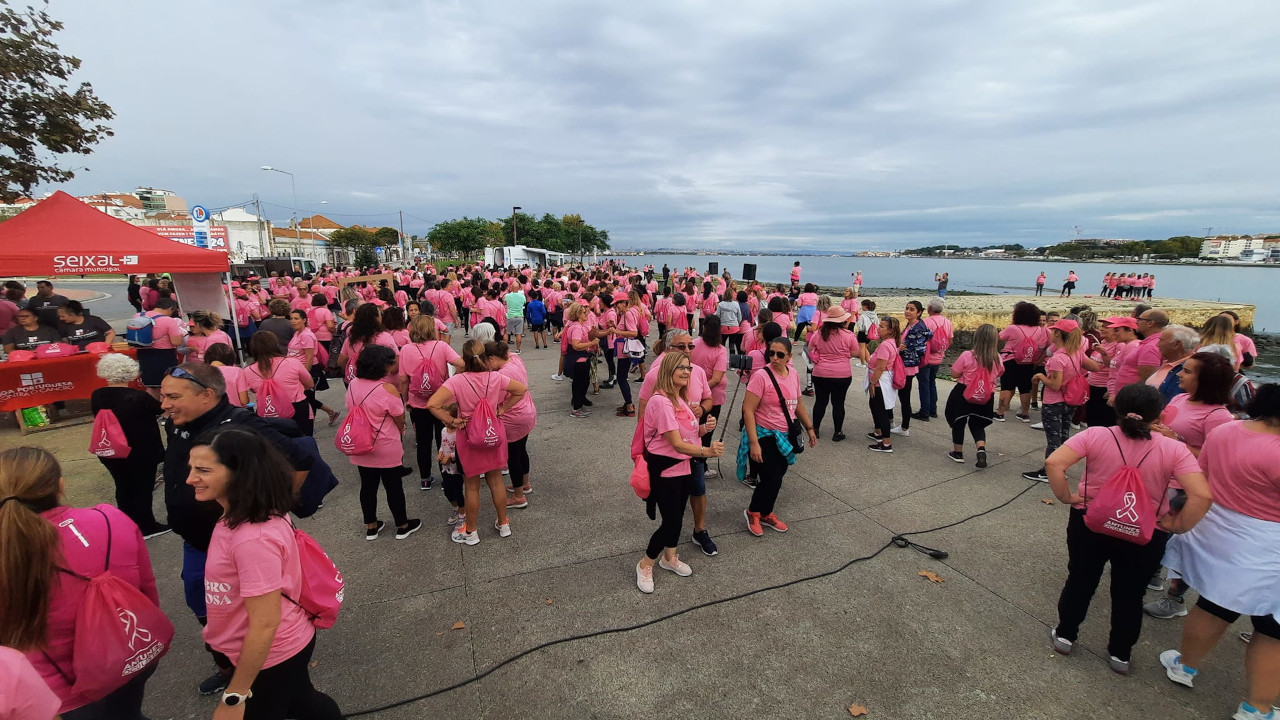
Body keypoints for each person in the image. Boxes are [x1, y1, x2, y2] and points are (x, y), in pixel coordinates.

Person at [159, 362, 314, 696]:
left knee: (255, 611)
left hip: (235, 545)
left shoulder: (239, 425)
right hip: (199, 541)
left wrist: (264, 507)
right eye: (162, 396)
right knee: (204, 603)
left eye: (173, 396)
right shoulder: (179, 423)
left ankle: (252, 676)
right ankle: (229, 665)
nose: (164, 404)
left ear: (207, 395)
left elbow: (300, 459)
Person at [1044, 383, 1212, 675]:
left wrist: (1066, 496)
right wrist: (1176, 523)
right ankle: (1120, 654)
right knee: (1130, 593)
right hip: (1146, 530)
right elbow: (1201, 494)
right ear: (1159, 415)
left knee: (1081, 580)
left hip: (1091, 521)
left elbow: (1054, 462)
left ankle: (1065, 636)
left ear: (1117, 407)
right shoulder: (1175, 449)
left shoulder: (1097, 434)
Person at [186, 427, 344, 719]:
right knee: (302, 702)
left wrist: (234, 696)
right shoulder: (244, 513)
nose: (190, 478)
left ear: (239, 473)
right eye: (192, 468)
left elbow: (265, 623)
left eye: (203, 470)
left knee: (291, 703)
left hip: (273, 652)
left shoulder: (252, 539)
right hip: (275, 646)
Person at [0, 446, 161, 718]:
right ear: (60, 485)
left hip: (57, 691)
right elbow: (147, 593)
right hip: (129, 657)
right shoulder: (110, 518)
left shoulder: (8, 550)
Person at [1157, 385, 1280, 720]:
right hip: (1268, 545)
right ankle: (1259, 706)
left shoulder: (1226, 430)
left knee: (1213, 605)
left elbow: (1203, 477)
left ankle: (1185, 665)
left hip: (1218, 530)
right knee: (1272, 629)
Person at [1142, 351, 1237, 620]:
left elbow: (1215, 458)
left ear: (1205, 380)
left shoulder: (1218, 416)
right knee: (1155, 531)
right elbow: (1166, 424)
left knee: (1180, 541)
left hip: (1183, 485)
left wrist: (1175, 441)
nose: (1180, 374)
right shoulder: (1181, 397)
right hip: (1159, 474)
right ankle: (1152, 572)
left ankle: (1175, 598)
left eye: (1188, 371)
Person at [636, 351, 725, 593]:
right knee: (671, 521)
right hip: (666, 470)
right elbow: (675, 443)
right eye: (681, 368)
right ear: (668, 371)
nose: (687, 371)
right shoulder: (661, 401)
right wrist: (707, 452)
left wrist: (705, 429)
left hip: (684, 467)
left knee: (676, 517)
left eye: (688, 367)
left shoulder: (681, 399)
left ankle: (670, 557)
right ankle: (646, 563)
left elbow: (689, 435)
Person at [428, 340, 528, 544]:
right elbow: (521, 390)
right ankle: (503, 523)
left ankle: (472, 531)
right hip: (493, 432)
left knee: (471, 486)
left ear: (464, 359)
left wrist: (452, 420)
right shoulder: (496, 377)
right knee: (496, 480)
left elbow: (433, 404)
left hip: (469, 435)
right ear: (484, 357)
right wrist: (502, 409)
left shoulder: (457, 381)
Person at [344, 344, 422, 541]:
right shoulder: (386, 388)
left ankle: (371, 525)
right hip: (385, 443)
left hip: (360, 443)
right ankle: (402, 525)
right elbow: (398, 415)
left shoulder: (353, 384)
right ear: (383, 366)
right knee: (393, 485)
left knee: (367, 486)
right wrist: (401, 428)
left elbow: (349, 406)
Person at [740, 337, 817, 536]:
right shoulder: (761, 376)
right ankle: (753, 511)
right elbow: (748, 410)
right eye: (771, 353)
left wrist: (809, 428)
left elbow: (798, 404)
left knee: (778, 476)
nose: (774, 358)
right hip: (765, 433)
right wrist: (754, 443)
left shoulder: (792, 375)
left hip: (785, 435)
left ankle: (766, 512)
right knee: (771, 476)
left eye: (780, 354)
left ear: (789, 357)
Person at [90, 353, 168, 537]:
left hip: (110, 449)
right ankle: (146, 525)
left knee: (123, 486)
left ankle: (125, 523)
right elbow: (161, 409)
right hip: (140, 450)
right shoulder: (138, 397)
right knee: (143, 487)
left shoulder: (97, 396)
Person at [1023, 319, 1095, 482]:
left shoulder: (1058, 358)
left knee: (1053, 438)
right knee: (1063, 434)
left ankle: (1049, 471)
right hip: (1070, 401)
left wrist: (1041, 376)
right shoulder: (1077, 353)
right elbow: (1095, 367)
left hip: (1054, 401)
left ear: (1057, 334)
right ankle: (1061, 467)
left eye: (1053, 330)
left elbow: (1055, 385)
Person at [398, 315, 464, 490]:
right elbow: (462, 364)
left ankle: (425, 478)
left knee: (423, 441)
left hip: (418, 403)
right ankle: (446, 475)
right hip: (442, 401)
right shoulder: (441, 346)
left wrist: (406, 400)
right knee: (443, 439)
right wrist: (452, 381)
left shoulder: (405, 350)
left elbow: (403, 379)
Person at [485, 341, 537, 504]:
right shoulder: (514, 359)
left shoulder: (501, 375)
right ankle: (524, 483)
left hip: (513, 417)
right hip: (527, 411)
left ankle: (519, 496)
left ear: (492, 358)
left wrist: (501, 408)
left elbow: (495, 400)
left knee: (513, 456)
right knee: (521, 451)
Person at [945, 324, 1002, 466]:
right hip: (986, 395)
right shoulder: (998, 359)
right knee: (977, 423)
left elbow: (954, 374)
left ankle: (958, 452)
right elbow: (999, 373)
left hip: (964, 392)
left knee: (958, 421)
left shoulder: (968, 355)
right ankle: (981, 448)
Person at [242, 331, 314, 435]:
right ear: (275, 344)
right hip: (297, 408)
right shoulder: (292, 362)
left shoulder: (248, 371)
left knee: (276, 445)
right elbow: (310, 384)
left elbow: (253, 390)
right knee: (304, 442)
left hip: (269, 411)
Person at [806, 308, 858, 441]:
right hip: (842, 374)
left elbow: (811, 348)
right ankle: (837, 432)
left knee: (820, 402)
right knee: (838, 404)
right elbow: (855, 352)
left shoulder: (819, 333)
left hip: (821, 372)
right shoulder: (848, 335)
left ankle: (815, 429)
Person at [995, 302, 1049, 423]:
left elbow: (1000, 336)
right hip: (1028, 361)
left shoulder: (1013, 328)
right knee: (1025, 387)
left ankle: (1000, 413)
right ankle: (1025, 414)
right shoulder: (1039, 330)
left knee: (1006, 386)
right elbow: (1046, 346)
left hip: (1011, 360)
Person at [287, 309, 340, 426]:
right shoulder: (297, 334)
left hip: (309, 369)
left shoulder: (306, 335)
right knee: (306, 397)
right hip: (297, 370)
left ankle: (310, 424)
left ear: (304, 320)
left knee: (308, 398)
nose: (293, 321)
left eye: (296, 318)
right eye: (291, 319)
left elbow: (310, 357)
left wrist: (305, 375)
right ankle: (330, 412)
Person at [891, 301, 933, 437]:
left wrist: (902, 349)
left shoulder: (918, 328)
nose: (907, 311)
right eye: (907, 308)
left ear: (919, 312)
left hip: (908, 366)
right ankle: (899, 424)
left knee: (904, 397)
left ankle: (904, 427)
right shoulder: (911, 325)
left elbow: (919, 349)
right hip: (904, 364)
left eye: (912, 309)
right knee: (900, 395)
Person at [134, 298, 186, 398]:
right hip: (163, 355)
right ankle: (162, 408)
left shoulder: (138, 316)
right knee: (164, 384)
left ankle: (149, 406)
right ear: (170, 309)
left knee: (150, 385)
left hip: (143, 354)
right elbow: (176, 342)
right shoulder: (168, 320)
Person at [866, 315, 902, 452]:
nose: (878, 328)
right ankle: (878, 432)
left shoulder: (885, 346)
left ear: (890, 330)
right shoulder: (892, 342)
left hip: (880, 382)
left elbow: (881, 367)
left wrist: (872, 383)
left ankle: (886, 443)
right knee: (876, 406)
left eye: (881, 326)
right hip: (884, 380)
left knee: (880, 411)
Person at [916, 297, 953, 422]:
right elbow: (950, 340)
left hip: (926, 358)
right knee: (932, 382)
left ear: (929, 308)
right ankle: (933, 410)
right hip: (938, 357)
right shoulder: (947, 322)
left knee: (924, 384)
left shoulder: (926, 322)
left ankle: (924, 411)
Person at [1146, 325, 1199, 403]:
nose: (1157, 344)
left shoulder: (1190, 369)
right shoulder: (1168, 362)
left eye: (1161, 340)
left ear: (1176, 344)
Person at [562, 303, 597, 417]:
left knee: (583, 383)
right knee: (579, 384)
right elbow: (576, 345)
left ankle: (579, 405)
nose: (586, 313)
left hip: (581, 358)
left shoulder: (578, 326)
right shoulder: (576, 327)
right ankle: (576, 408)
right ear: (578, 314)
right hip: (578, 360)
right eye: (583, 312)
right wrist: (591, 343)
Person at [205, 342, 248, 408]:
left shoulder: (200, 373)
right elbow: (244, 400)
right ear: (230, 357)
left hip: (210, 413)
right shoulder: (237, 371)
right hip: (234, 412)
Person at [1133, 309, 1170, 382]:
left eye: (1139, 319)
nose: (1136, 322)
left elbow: (1145, 379)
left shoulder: (1150, 347)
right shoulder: (1154, 342)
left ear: (1150, 323)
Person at [855, 299, 878, 367]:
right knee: (865, 348)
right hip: (870, 334)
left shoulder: (863, 315)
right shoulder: (875, 315)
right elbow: (877, 324)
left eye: (862, 306)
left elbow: (860, 325)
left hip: (862, 332)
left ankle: (862, 362)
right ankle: (868, 361)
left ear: (865, 306)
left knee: (861, 348)